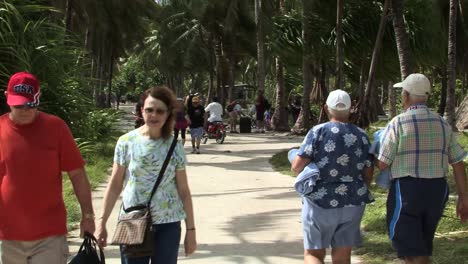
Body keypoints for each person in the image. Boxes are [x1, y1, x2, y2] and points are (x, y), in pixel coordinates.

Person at [0, 72, 95, 263]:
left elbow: (77, 174)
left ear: (38, 98)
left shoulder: (56, 128)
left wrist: (88, 215)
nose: (24, 109)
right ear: (6, 98)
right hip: (6, 236)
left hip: (49, 236)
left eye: (30, 104)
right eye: (18, 104)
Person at [95, 86, 197, 264]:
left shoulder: (174, 146)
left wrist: (191, 231)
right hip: (133, 221)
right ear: (142, 111)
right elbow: (115, 185)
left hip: (168, 224)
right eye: (149, 110)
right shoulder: (126, 142)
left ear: (168, 114)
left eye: (160, 111)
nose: (154, 115)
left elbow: (184, 190)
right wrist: (101, 223)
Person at [377, 73, 468, 264]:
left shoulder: (398, 123)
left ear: (407, 95)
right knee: (422, 244)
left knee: (411, 247)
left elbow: (383, 163)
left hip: (407, 190)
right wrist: (464, 197)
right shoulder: (442, 123)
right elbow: (458, 163)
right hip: (437, 190)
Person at [291, 89, 374, 264]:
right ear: (351, 109)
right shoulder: (362, 135)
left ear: (326, 108)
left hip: (319, 202)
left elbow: (297, 166)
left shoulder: (317, 132)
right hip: (353, 200)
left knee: (313, 254)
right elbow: (368, 172)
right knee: (343, 257)